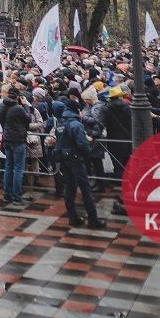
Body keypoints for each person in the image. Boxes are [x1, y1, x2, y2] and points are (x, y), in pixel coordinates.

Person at [55, 98, 106, 228]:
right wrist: (88, 146)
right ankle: (93, 220)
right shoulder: (76, 124)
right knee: (85, 190)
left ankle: (73, 217)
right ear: (77, 110)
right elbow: (82, 145)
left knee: (70, 189)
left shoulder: (61, 123)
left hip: (64, 159)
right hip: (76, 159)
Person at [0, 86, 31, 206]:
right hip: (17, 140)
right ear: (17, 97)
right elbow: (28, 118)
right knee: (18, 169)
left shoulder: (1, 105)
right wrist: (25, 105)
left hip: (7, 138)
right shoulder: (18, 108)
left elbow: (3, 123)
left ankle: (7, 195)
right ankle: (17, 197)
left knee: (8, 167)